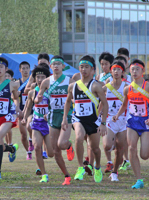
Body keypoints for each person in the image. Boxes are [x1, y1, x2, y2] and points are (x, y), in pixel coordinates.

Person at [113, 59, 149, 189]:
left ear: (142, 71)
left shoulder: (148, 86)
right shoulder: (127, 88)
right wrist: (117, 115)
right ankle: (139, 180)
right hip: (132, 122)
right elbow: (124, 105)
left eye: (137, 69)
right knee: (132, 148)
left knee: (144, 155)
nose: (134, 72)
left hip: (145, 122)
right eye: (132, 69)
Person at [62, 55, 108, 183]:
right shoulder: (73, 86)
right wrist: (65, 119)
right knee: (78, 137)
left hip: (93, 120)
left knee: (95, 149)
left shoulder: (96, 86)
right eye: (81, 67)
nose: (84, 69)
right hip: (78, 119)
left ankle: (97, 167)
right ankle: (80, 167)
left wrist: (103, 123)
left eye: (87, 67)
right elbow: (67, 102)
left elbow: (105, 104)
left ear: (93, 70)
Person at [34, 55, 75, 185]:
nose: (56, 66)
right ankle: (67, 176)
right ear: (51, 67)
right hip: (52, 116)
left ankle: (68, 146)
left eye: (59, 63)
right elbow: (38, 97)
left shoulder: (69, 81)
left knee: (61, 144)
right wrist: (37, 99)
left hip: (66, 115)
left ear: (63, 66)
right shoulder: (46, 82)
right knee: (55, 151)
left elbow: (75, 97)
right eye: (54, 64)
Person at [21, 64, 54, 182]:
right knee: (37, 147)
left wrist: (49, 114)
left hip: (49, 124)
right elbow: (28, 107)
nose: (40, 80)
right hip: (36, 123)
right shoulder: (32, 92)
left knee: (50, 153)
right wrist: (25, 118)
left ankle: (67, 145)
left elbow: (56, 107)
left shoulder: (51, 91)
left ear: (47, 78)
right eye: (37, 77)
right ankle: (44, 174)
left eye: (42, 77)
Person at [102, 61, 129, 181]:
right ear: (111, 72)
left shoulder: (127, 86)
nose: (116, 72)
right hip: (109, 119)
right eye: (114, 69)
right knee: (107, 145)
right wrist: (98, 117)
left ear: (122, 72)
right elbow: (101, 103)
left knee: (120, 149)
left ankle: (114, 172)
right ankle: (111, 143)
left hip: (123, 120)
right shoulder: (106, 87)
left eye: (119, 69)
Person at [24, 53, 50, 159]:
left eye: (44, 63)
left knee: (52, 152)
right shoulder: (34, 77)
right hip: (36, 115)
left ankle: (65, 145)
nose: (39, 79)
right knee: (28, 126)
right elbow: (26, 91)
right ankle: (33, 143)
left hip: (49, 118)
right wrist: (33, 86)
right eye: (41, 63)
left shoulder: (52, 79)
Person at [15, 61, 32, 160]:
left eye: (27, 68)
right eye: (23, 68)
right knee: (23, 134)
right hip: (22, 111)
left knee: (32, 129)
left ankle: (33, 143)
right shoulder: (17, 83)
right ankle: (28, 151)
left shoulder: (33, 82)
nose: (25, 70)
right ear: (20, 70)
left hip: (32, 110)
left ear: (30, 70)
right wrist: (17, 108)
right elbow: (15, 98)